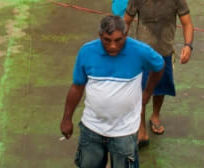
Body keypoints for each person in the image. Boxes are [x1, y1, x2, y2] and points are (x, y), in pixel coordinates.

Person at [60, 15, 164, 168]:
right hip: (92, 128)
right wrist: (66, 119)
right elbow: (77, 87)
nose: (113, 46)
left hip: (125, 132)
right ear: (100, 36)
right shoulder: (87, 52)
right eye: (107, 40)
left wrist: (148, 92)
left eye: (118, 40)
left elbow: (159, 65)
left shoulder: (140, 51)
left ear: (125, 35)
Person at [124, 0, 193, 146]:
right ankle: (140, 126)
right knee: (140, 91)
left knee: (160, 88)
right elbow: (126, 22)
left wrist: (188, 45)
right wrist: (119, 47)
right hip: (142, 55)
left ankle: (155, 115)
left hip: (164, 53)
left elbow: (187, 23)